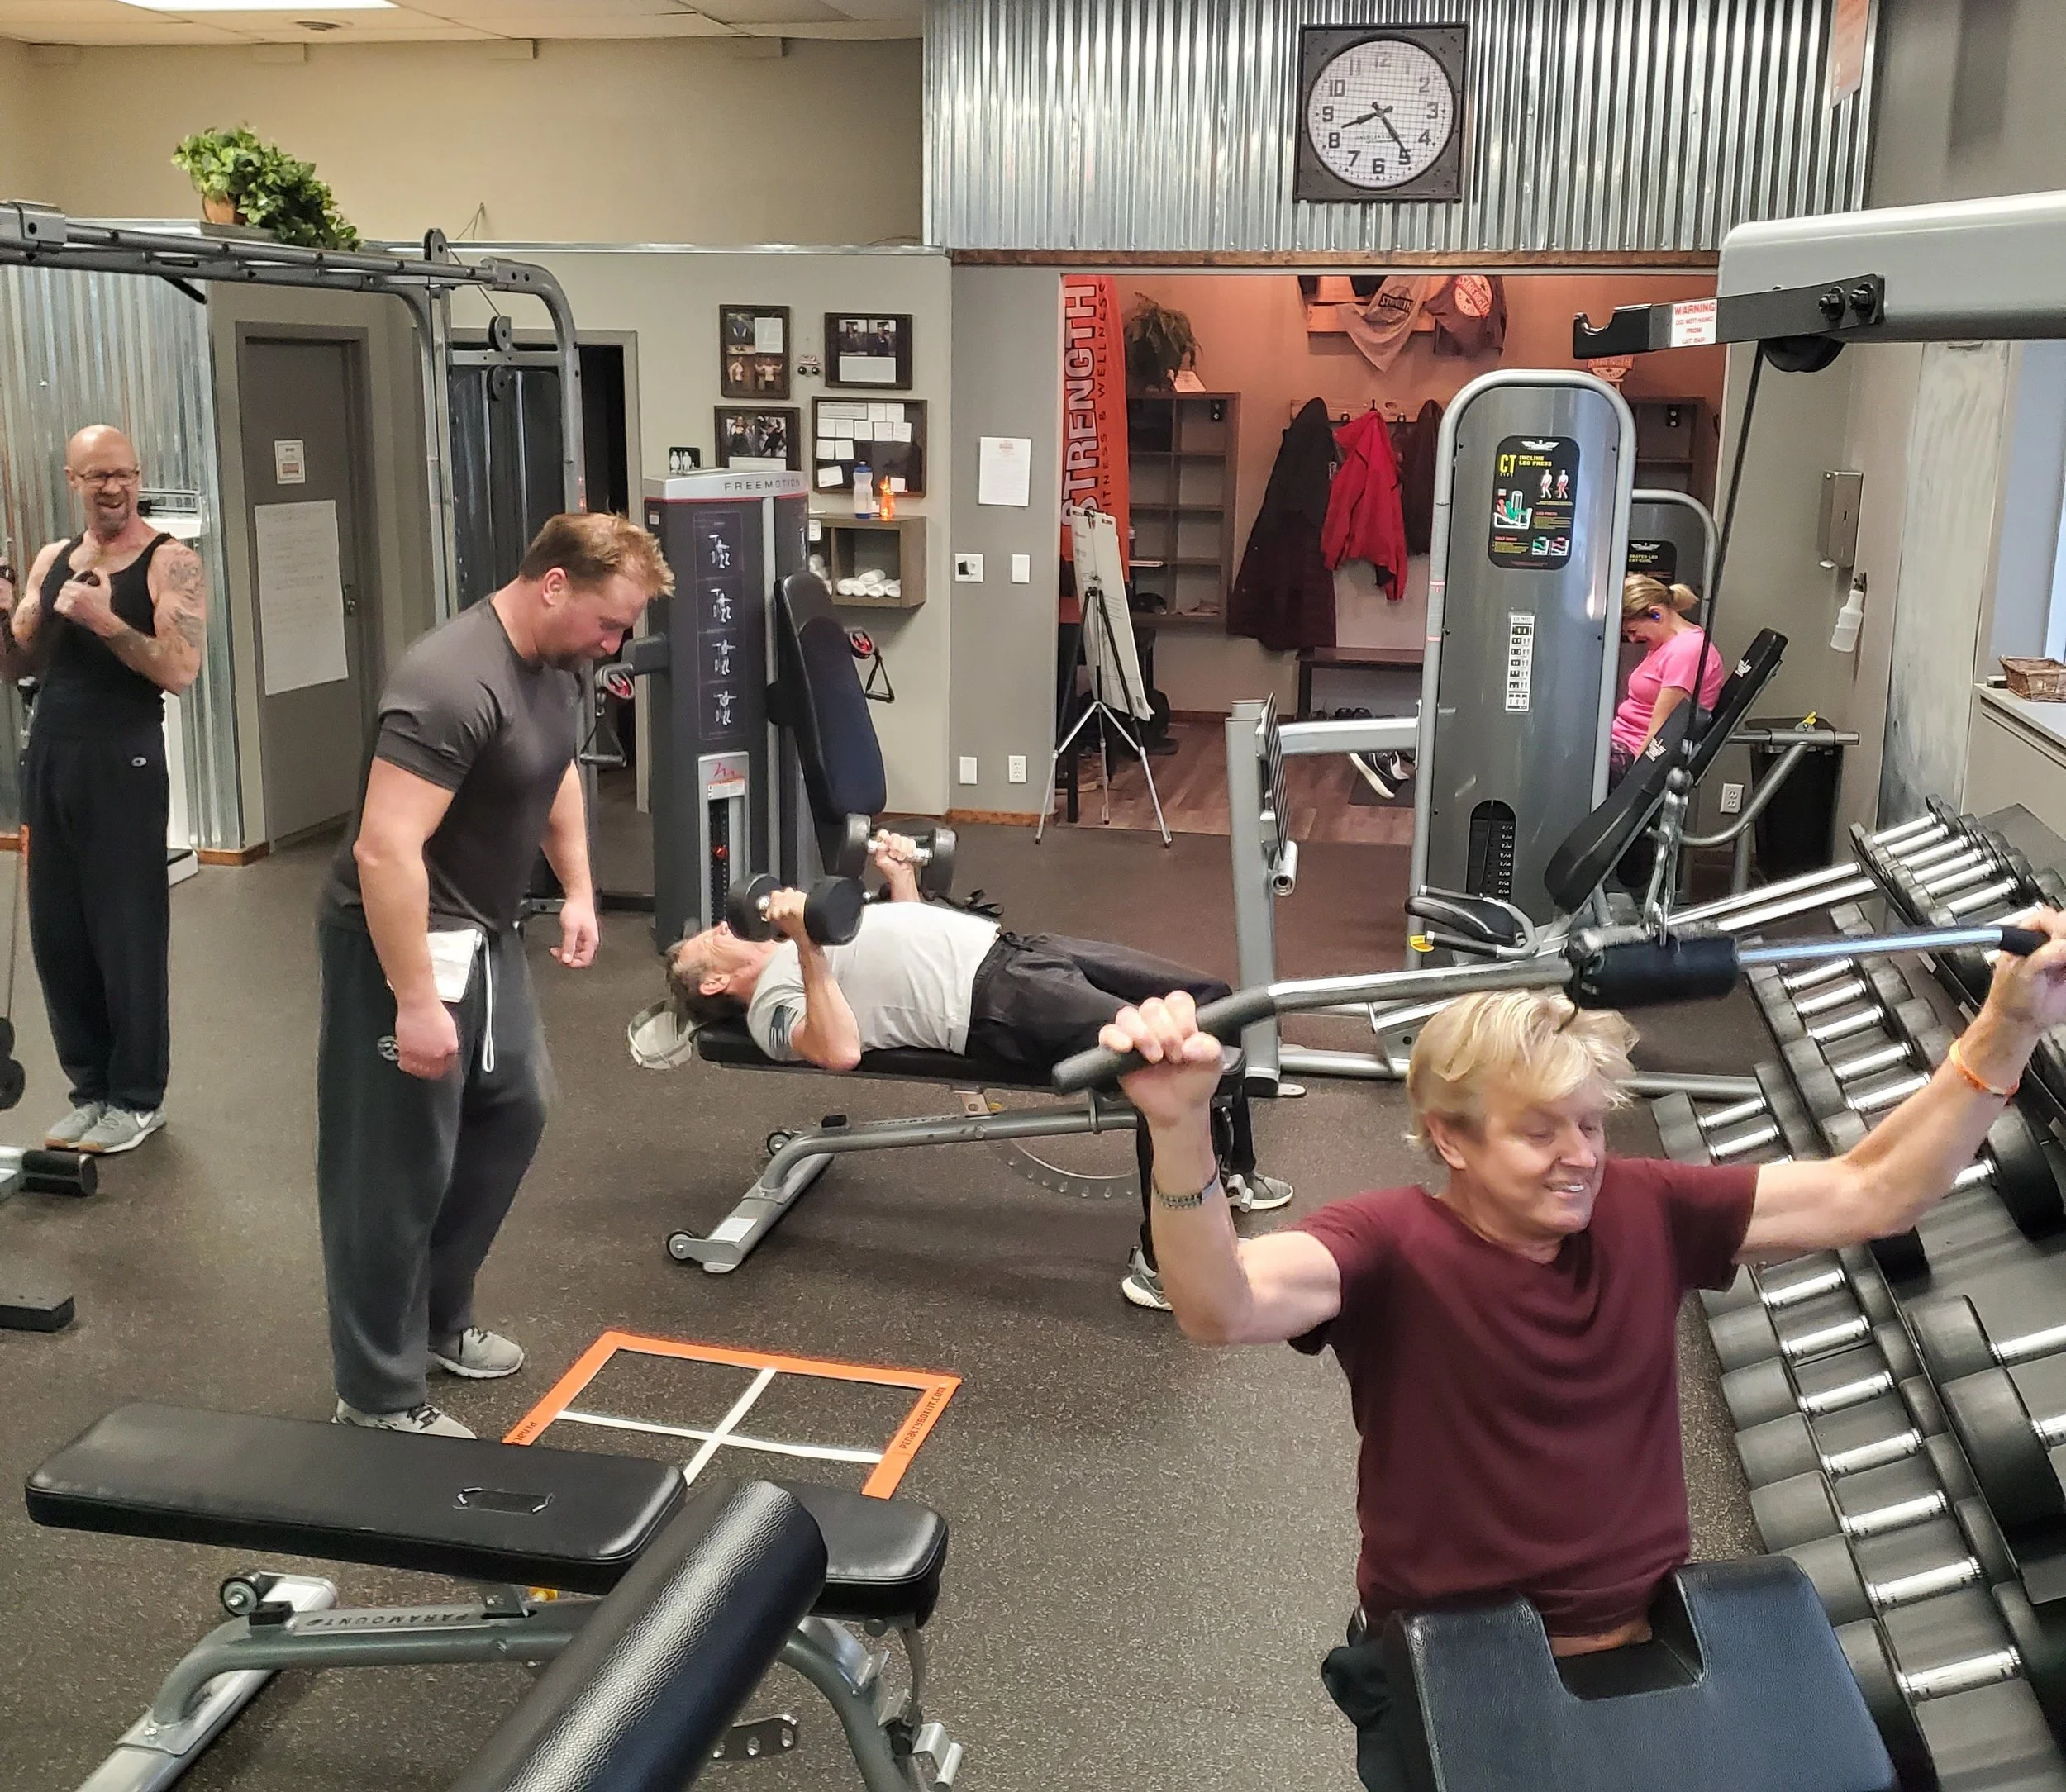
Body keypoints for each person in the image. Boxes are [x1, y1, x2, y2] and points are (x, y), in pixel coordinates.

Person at [1102, 919, 2066, 1792]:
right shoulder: (1388, 1243)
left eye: (1592, 1123)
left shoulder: (1643, 1207)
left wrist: (2009, 1024)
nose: (1581, 1156)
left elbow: (1872, 1191)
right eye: (1538, 1130)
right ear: (1449, 1136)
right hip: (1464, 1675)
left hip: (1658, 1655)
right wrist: (1180, 1127)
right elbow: (1219, 1303)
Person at [318, 511, 670, 1438]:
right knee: (394, 1166)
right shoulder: (447, 681)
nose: (615, 642)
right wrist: (414, 1000)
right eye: (609, 621)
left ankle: (435, 1321)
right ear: (554, 583)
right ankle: (378, 1391)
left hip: (486, 931)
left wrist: (581, 887)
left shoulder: (563, 664)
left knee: (516, 1106)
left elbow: (550, 770)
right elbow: (385, 850)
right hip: (400, 938)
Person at [665, 833, 1292, 1310]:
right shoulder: (774, 1004)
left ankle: (1232, 1175)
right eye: (707, 942)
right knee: (1163, 1056)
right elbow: (838, 1049)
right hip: (996, 999)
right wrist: (805, 942)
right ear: (716, 980)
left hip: (1022, 949)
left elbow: (910, 940)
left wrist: (900, 878)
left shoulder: (808, 954)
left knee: (1211, 999)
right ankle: (1165, 1266)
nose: (722, 924)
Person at [0, 425, 207, 1155]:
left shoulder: (169, 561)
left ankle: (137, 1097)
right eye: (96, 476)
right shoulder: (53, 558)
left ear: (137, 475)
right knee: (59, 933)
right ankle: (90, 1089)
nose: (112, 488)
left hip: (124, 759)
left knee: (126, 932)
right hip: (51, 751)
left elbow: (179, 670)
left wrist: (107, 620)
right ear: (73, 481)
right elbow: (16, 660)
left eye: (122, 474)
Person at [1610, 574, 1726, 783]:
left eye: (1633, 631)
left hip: (1630, 754)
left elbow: (1661, 732)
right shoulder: (1667, 646)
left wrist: (1630, 789)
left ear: (1656, 615)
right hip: (1620, 742)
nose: (1633, 639)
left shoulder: (1687, 651)